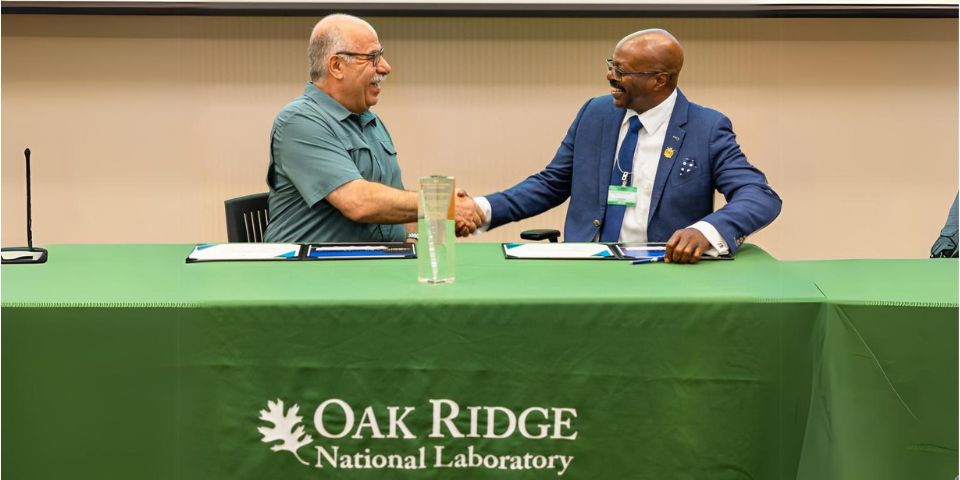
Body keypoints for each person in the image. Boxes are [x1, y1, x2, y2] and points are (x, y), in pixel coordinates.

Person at [474, 29, 781, 263]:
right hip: (586, 267)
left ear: (659, 81)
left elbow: (759, 196)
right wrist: (481, 209)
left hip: (661, 270)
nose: (610, 76)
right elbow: (552, 183)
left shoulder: (706, 128)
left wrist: (706, 231)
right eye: (612, 65)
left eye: (621, 71)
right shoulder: (595, 114)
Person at [264, 14, 484, 243]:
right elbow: (358, 202)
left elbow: (394, 202)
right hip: (308, 271)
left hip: (375, 265)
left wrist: (415, 238)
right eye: (372, 57)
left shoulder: (370, 120)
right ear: (337, 66)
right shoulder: (299, 121)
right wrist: (442, 204)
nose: (386, 67)